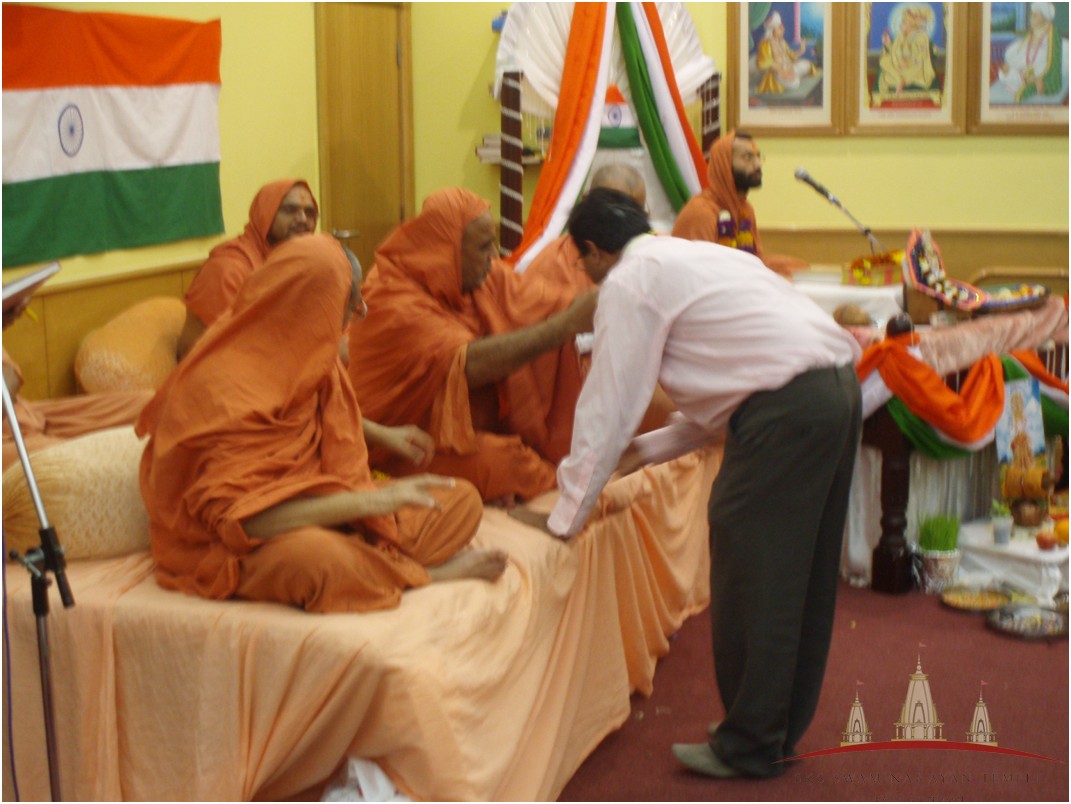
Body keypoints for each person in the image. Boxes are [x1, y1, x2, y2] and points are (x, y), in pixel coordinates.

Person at [532, 188, 862, 779]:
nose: (584, 275)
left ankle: (750, 741)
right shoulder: (693, 257)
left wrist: (566, 516)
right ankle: (769, 727)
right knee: (801, 574)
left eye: (580, 262)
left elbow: (607, 406)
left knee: (753, 569)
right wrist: (645, 453)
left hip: (784, 413)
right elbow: (726, 393)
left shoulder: (630, 281)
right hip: (834, 392)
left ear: (593, 250)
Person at [137, 234, 508, 613]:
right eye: (349, 304)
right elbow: (244, 524)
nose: (357, 315)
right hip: (244, 541)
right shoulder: (219, 382)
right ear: (309, 302)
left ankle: (375, 561)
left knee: (461, 501)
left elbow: (324, 421)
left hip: (325, 503)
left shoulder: (307, 350)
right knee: (320, 560)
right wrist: (369, 502)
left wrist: (383, 441)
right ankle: (426, 575)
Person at [347, 188, 596, 504]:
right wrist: (565, 326)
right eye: (482, 247)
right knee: (506, 462)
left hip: (462, 433)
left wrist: (608, 301)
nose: (493, 255)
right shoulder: (395, 299)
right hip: (398, 445)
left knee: (541, 447)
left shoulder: (474, 279)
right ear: (446, 250)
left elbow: (542, 301)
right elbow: (468, 365)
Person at [177, 178, 318, 359]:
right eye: (290, 210)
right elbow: (228, 352)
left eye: (310, 212)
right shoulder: (228, 269)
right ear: (265, 215)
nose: (303, 220)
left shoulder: (299, 263)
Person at [672, 131, 806, 278]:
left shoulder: (745, 209)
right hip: (709, 293)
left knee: (797, 270)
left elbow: (754, 260)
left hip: (737, 287)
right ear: (725, 164)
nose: (757, 164)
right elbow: (696, 274)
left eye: (757, 156)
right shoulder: (701, 212)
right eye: (747, 157)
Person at [997, 2, 1063, 102]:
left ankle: (1023, 84)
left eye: (1036, 15)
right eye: (1032, 14)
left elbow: (1050, 67)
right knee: (1004, 72)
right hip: (1026, 72)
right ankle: (1020, 82)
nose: (1032, 17)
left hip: (1039, 75)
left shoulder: (1053, 36)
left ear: (1045, 18)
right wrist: (1020, 71)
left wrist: (1034, 78)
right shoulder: (1031, 35)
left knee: (1024, 84)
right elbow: (1021, 56)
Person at [877, 4, 937, 97]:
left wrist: (906, 63)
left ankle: (899, 79)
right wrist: (888, 43)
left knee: (886, 78)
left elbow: (919, 59)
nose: (901, 24)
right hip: (900, 67)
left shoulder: (920, 38)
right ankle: (899, 79)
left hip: (914, 70)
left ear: (912, 24)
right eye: (902, 21)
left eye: (904, 22)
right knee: (884, 60)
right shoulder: (901, 36)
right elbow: (895, 52)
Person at [754, 11, 816, 95]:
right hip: (777, 73)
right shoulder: (765, 44)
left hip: (790, 67)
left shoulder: (782, 42)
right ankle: (793, 75)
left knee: (808, 65)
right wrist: (780, 70)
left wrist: (801, 49)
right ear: (772, 31)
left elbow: (792, 56)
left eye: (782, 27)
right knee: (794, 84)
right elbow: (762, 64)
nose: (783, 29)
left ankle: (795, 73)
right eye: (780, 27)